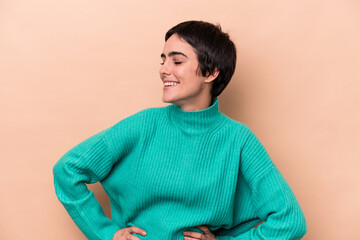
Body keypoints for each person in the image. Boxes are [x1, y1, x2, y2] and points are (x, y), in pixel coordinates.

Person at [53, 20, 307, 240]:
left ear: (211, 72)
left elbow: (290, 222)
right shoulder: (143, 125)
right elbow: (67, 170)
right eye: (163, 60)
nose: (164, 69)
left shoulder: (239, 140)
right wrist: (106, 234)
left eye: (177, 60)